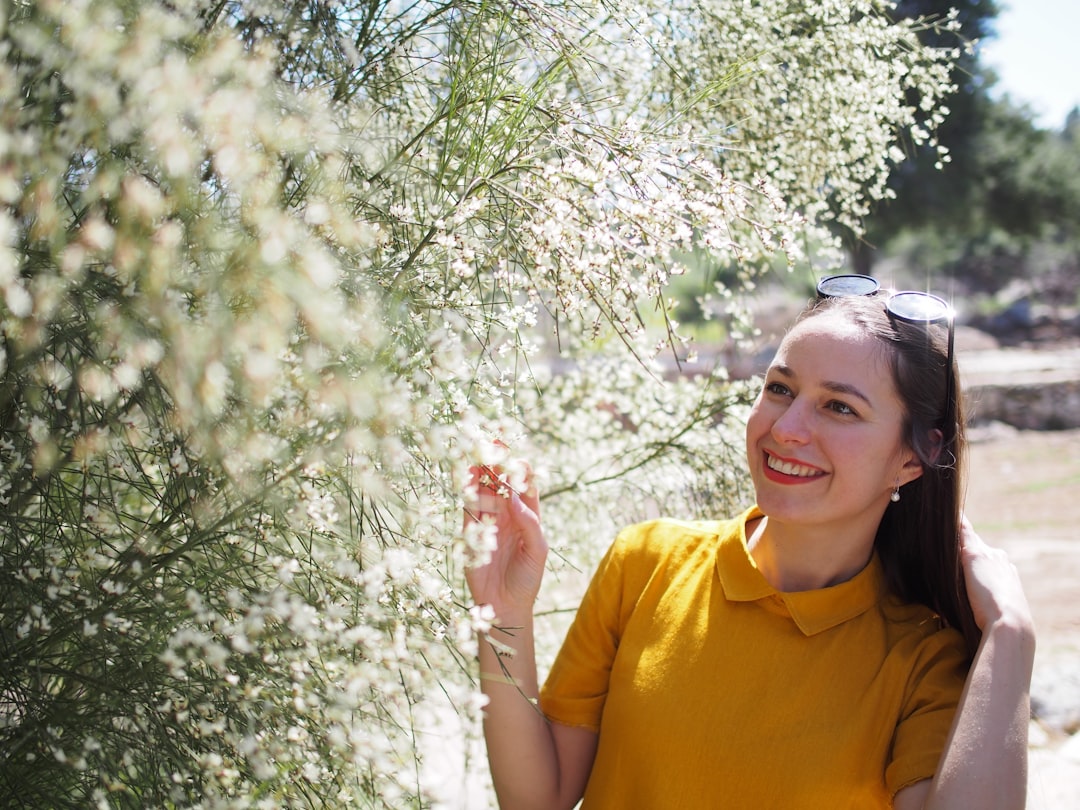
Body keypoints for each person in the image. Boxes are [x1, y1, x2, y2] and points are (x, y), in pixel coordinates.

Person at [463, 277, 1035, 810]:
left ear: (915, 457)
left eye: (839, 407)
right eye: (780, 389)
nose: (785, 429)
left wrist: (1010, 634)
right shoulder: (644, 562)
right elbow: (539, 798)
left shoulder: (923, 661)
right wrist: (503, 613)